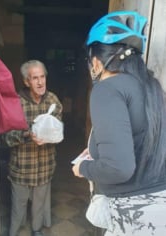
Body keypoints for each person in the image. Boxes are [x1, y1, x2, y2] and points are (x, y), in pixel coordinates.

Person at [72, 11, 166, 235]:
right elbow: (141, 140)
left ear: (96, 61)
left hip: (134, 217)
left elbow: (119, 168)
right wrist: (96, 148)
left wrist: (82, 168)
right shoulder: (152, 88)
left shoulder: (107, 88)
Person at [0, 60, 63, 236]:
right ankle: (14, 231)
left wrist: (50, 136)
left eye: (42, 77)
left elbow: (59, 131)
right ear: (27, 82)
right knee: (18, 203)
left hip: (44, 165)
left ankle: (36, 230)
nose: (40, 82)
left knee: (39, 202)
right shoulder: (16, 104)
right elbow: (6, 138)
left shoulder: (53, 101)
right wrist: (26, 135)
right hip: (22, 167)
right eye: (35, 78)